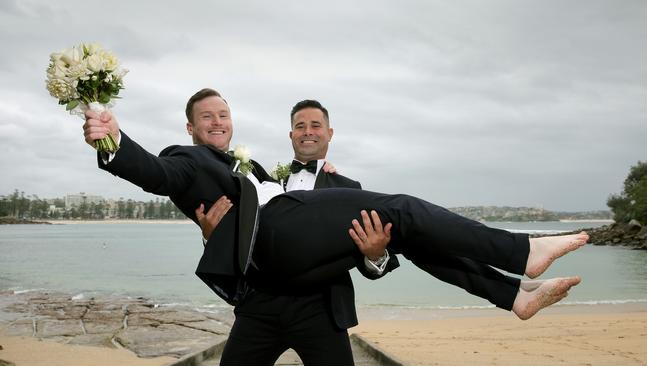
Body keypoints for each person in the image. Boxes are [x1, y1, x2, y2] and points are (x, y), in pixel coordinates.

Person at [82, 88, 586, 325]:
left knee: (408, 230)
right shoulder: (190, 160)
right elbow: (156, 173)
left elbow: (376, 268)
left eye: (224, 115)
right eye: (206, 117)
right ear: (189, 129)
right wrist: (113, 142)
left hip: (316, 293)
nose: (217, 122)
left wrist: (375, 254)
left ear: (327, 135)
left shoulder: (258, 171)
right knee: (407, 209)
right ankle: (521, 253)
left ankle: (512, 296)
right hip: (270, 275)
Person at [195, 99, 400, 365]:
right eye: (300, 126)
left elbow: (369, 259)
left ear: (330, 133)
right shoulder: (263, 182)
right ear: (291, 134)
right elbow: (241, 239)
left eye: (316, 125)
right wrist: (210, 236)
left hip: (321, 309)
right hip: (260, 305)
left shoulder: (349, 188)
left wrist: (375, 254)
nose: (308, 131)